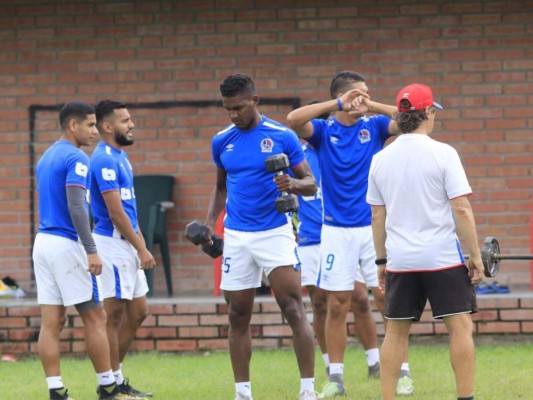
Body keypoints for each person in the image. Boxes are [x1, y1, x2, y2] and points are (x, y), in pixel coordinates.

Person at [287, 71, 413, 398]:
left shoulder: (374, 127)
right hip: (335, 231)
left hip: (374, 228)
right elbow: (293, 119)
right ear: (343, 98)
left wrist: (371, 103)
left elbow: (408, 120)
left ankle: (402, 371)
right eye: (360, 94)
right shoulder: (323, 132)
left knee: (387, 297)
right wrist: (338, 104)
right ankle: (337, 379)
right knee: (337, 304)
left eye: (367, 94)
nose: (365, 99)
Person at [203, 73, 318, 400]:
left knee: (293, 307)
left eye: (238, 107)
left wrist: (293, 185)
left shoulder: (283, 136)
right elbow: (221, 187)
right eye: (228, 109)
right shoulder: (222, 140)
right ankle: (243, 393)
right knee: (237, 314)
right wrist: (211, 223)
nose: (233, 115)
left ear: (254, 101)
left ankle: (308, 390)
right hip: (237, 236)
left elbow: (310, 182)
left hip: (275, 233)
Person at [367, 83, 484, 400]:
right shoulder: (444, 153)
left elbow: (378, 218)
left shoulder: (380, 159)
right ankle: (465, 397)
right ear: (428, 112)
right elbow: (461, 207)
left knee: (395, 331)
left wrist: (381, 261)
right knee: (460, 328)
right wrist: (475, 256)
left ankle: (388, 397)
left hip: (401, 260)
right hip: (442, 258)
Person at [33, 101, 130, 400]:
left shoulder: (46, 156)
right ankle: (109, 387)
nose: (95, 130)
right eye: (89, 125)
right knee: (96, 317)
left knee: (52, 322)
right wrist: (91, 249)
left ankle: (56, 391)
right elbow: (76, 206)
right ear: (72, 125)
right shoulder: (77, 158)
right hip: (67, 244)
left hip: (43, 243)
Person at [90, 99, 155, 399]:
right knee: (112, 317)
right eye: (125, 120)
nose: (131, 124)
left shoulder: (121, 157)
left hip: (128, 243)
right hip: (112, 245)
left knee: (139, 312)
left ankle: (117, 378)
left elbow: (129, 210)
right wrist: (142, 248)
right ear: (107, 127)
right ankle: (111, 386)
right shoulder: (103, 159)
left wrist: (139, 244)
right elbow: (116, 214)